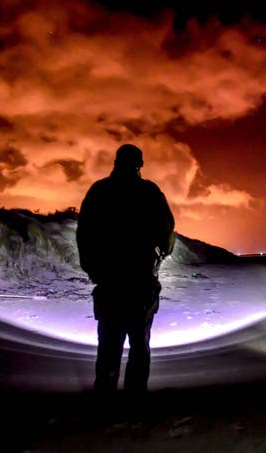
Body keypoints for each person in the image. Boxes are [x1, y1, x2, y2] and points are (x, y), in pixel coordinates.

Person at [76, 144, 175, 401]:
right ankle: (135, 400)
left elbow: (84, 234)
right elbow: (167, 232)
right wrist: (158, 257)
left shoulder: (99, 191)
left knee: (108, 345)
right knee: (139, 345)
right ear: (139, 164)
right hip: (141, 281)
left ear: (116, 162)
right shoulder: (149, 192)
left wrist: (93, 269)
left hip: (109, 282)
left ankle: (105, 399)